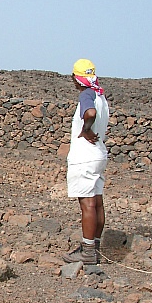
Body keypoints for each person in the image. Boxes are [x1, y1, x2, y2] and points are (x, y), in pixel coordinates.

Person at [62, 59, 110, 265]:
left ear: (76, 78)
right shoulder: (101, 96)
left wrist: (86, 129)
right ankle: (94, 247)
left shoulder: (87, 95)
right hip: (98, 154)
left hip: (85, 157)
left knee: (88, 204)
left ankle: (88, 252)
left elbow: (89, 113)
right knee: (97, 202)